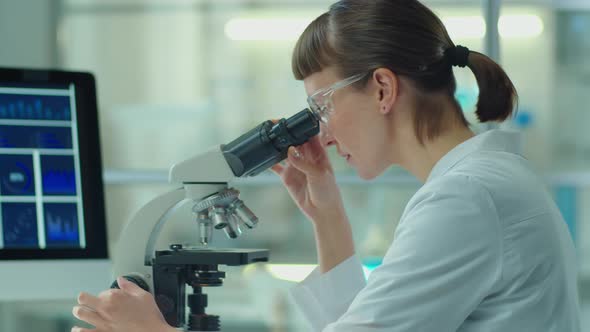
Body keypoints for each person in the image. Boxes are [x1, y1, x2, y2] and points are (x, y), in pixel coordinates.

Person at [71, 0, 581, 331]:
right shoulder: (480, 183)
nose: (322, 132)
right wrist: (329, 219)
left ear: (382, 88)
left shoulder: (466, 199)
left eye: (321, 107)